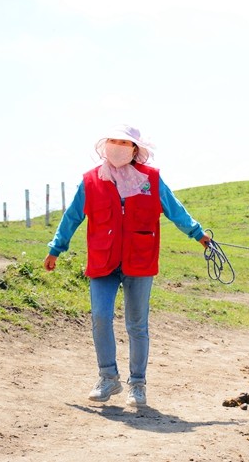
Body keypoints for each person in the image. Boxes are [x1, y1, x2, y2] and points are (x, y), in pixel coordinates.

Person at [43, 125, 212, 408]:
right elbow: (71, 217)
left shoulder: (151, 179)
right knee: (100, 316)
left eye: (124, 142)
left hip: (140, 260)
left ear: (135, 149)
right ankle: (108, 377)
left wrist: (198, 234)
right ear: (105, 145)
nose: (118, 146)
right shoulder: (91, 181)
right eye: (114, 141)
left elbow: (175, 210)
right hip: (103, 260)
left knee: (137, 325)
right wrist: (55, 249)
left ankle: (137, 384)